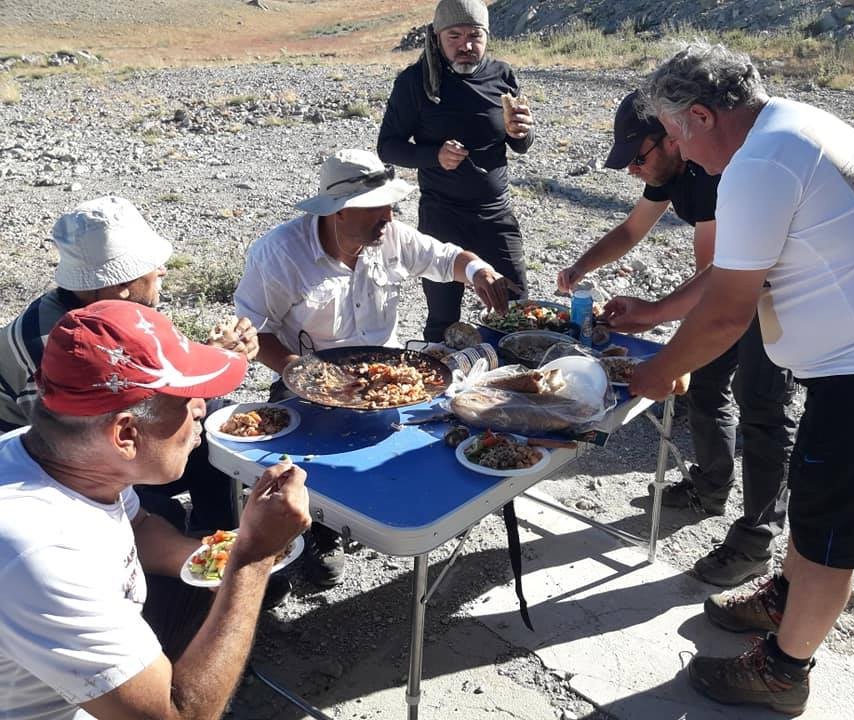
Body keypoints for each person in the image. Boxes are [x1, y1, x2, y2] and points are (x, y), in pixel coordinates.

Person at [611, 42, 854, 714]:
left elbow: (724, 318)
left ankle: (783, 671)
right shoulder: (792, 125)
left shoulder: (759, 166)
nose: (681, 152)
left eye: (679, 133)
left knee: (832, 531)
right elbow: (737, 267)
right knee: (814, 492)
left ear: (705, 116)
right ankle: (785, 598)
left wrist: (657, 372)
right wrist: (657, 312)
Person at [0, 299, 311, 719]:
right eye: (186, 400)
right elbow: (175, 714)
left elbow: (139, 525)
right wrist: (252, 560)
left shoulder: (58, 455)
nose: (203, 407)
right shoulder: (39, 552)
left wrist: (220, 561)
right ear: (125, 434)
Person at [234, 148, 514, 587]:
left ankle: (391, 509)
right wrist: (305, 375)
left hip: (390, 376)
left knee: (425, 451)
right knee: (318, 464)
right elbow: (254, 328)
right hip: (305, 383)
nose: (387, 215)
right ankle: (317, 531)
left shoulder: (391, 236)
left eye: (389, 204)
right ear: (339, 212)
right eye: (376, 207)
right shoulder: (280, 254)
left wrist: (479, 272)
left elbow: (446, 258)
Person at [557, 91, 796, 587]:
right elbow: (632, 230)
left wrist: (657, 317)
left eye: (637, 158)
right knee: (708, 390)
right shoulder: (672, 172)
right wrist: (582, 265)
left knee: (763, 413)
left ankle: (757, 541)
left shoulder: (714, 175)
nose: (632, 171)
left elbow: (718, 273)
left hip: (773, 299)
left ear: (671, 137)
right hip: (728, 294)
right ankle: (709, 487)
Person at [0, 196, 260, 534]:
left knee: (214, 427)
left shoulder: (102, 311)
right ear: (122, 286)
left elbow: (145, 371)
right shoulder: (59, 349)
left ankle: (218, 542)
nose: (163, 271)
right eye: (151, 266)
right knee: (160, 516)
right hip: (49, 477)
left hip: (103, 439)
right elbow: (82, 453)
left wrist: (216, 354)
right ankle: (194, 565)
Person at [377, 0, 534, 342]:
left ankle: (512, 385)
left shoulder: (502, 76)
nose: (465, 46)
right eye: (455, 36)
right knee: (443, 319)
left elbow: (519, 144)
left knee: (515, 307)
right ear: (436, 37)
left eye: (475, 36)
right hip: (441, 216)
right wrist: (435, 156)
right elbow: (388, 146)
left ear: (487, 36)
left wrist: (523, 131)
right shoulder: (415, 82)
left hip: (495, 215)